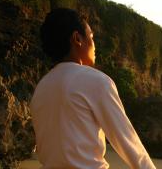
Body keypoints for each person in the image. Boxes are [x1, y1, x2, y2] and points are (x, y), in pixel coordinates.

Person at [30, 8, 156, 169]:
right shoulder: (96, 81)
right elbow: (127, 141)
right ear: (77, 38)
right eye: (91, 37)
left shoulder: (41, 88)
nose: (94, 46)